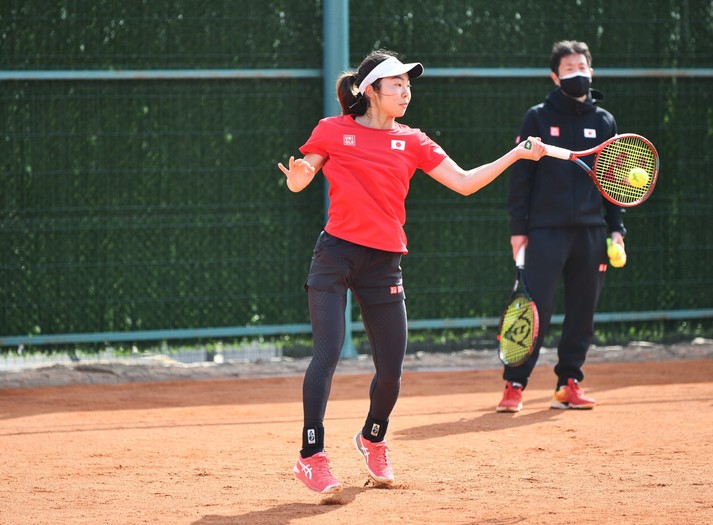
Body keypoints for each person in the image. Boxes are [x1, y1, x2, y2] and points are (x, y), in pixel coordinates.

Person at [278, 49, 545, 494]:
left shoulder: (414, 141)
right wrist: (299, 177)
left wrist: (515, 155)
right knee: (327, 354)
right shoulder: (332, 130)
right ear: (371, 91)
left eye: (407, 85)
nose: (405, 92)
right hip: (335, 255)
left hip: (384, 262)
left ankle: (372, 438)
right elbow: (300, 177)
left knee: (391, 371)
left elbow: (463, 182)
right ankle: (311, 456)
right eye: (396, 85)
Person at [497, 40, 626, 413]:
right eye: (568, 69)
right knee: (532, 310)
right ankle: (514, 384)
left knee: (583, 314)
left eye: (581, 67)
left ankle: (568, 383)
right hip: (544, 232)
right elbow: (521, 178)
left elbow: (613, 181)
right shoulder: (537, 118)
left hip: (591, 233)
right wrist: (518, 229)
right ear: (555, 76)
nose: (577, 74)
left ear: (592, 71)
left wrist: (616, 229)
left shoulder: (604, 122)